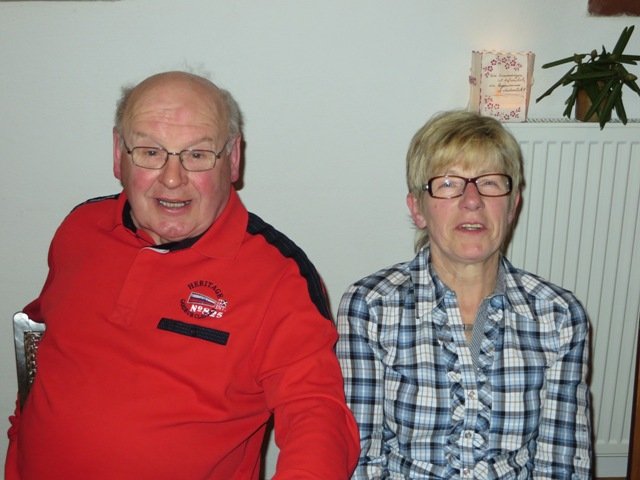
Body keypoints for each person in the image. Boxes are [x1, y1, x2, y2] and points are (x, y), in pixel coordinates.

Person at [6, 71, 359, 480]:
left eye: (197, 155)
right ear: (119, 154)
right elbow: (43, 344)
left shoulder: (280, 277)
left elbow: (318, 418)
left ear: (233, 158)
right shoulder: (80, 228)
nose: (172, 178)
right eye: (150, 152)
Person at [336, 110, 591, 479]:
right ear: (417, 208)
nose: (472, 200)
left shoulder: (558, 316)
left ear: (513, 205)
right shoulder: (370, 307)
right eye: (449, 183)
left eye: (490, 183)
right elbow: (360, 458)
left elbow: (560, 463)